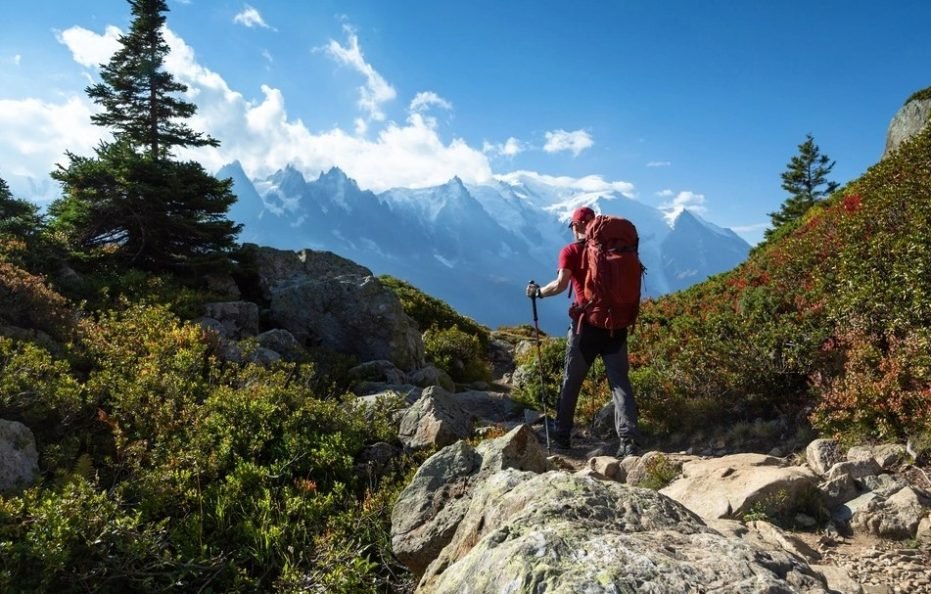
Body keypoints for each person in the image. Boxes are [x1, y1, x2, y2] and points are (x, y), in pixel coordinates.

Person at [526, 206, 640, 457]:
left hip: (586, 327)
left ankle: (562, 436)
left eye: (572, 226)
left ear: (577, 225)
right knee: (620, 383)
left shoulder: (571, 251)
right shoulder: (617, 248)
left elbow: (560, 285)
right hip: (617, 325)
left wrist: (538, 292)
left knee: (571, 381)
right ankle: (629, 441)